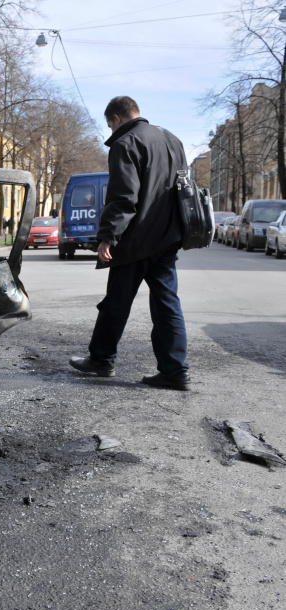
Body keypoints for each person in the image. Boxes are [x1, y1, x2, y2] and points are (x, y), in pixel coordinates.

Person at [69, 96, 190, 391]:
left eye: (110, 125)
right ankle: (175, 371)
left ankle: (101, 360)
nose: (111, 130)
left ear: (117, 119)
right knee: (167, 304)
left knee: (116, 302)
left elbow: (124, 197)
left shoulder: (126, 143)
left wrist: (108, 237)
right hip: (169, 236)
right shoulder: (171, 139)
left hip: (137, 238)